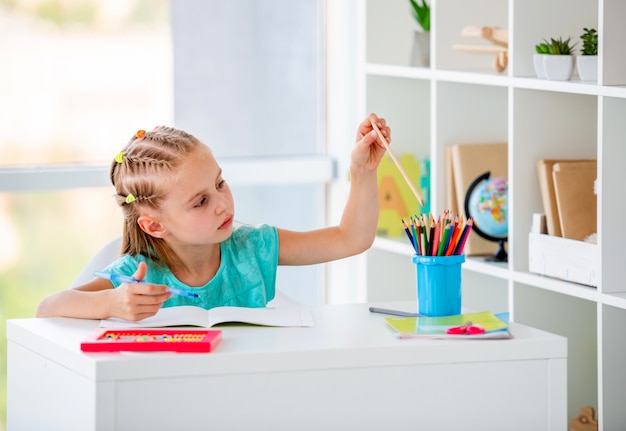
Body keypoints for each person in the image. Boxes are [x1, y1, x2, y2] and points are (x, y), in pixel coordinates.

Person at [36, 113, 391, 321]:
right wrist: (110, 301)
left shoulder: (252, 246)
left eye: (220, 183)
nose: (222, 204)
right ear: (154, 225)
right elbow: (47, 308)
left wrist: (362, 171)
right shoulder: (136, 276)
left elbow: (351, 238)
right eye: (200, 201)